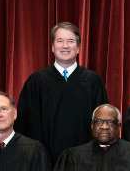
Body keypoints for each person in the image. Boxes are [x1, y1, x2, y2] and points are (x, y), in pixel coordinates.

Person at [16, 21, 108, 163]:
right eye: (60, 41)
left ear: (78, 48)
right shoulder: (36, 81)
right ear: (52, 47)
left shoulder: (93, 81)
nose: (65, 46)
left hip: (85, 163)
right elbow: (23, 124)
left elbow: (103, 124)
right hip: (43, 163)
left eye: (70, 41)